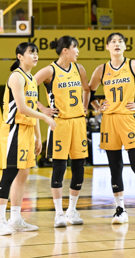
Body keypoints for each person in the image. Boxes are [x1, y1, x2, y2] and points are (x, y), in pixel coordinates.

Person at [88, 32, 135, 226]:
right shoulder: (101, 69)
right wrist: (97, 107)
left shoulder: (134, 65)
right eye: (113, 41)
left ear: (125, 46)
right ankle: (120, 210)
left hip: (129, 119)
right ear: (107, 46)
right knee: (115, 168)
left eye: (120, 41)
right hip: (109, 121)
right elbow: (88, 92)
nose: (117, 44)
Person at [0, 42, 57, 236]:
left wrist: (38, 136)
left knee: (23, 176)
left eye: (37, 53)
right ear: (20, 56)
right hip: (14, 130)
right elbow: (22, 108)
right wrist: (45, 117)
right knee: (9, 175)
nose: (35, 56)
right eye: (31, 53)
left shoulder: (31, 79)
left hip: (28, 131)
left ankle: (15, 220)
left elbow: (33, 107)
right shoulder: (16, 77)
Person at [34, 36, 90, 228]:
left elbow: (86, 89)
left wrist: (85, 105)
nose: (78, 51)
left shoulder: (79, 69)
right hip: (59, 124)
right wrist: (43, 109)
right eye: (75, 47)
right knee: (59, 167)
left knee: (79, 168)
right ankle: (58, 213)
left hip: (78, 122)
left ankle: (71, 210)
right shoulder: (49, 70)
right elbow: (26, 89)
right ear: (65, 50)